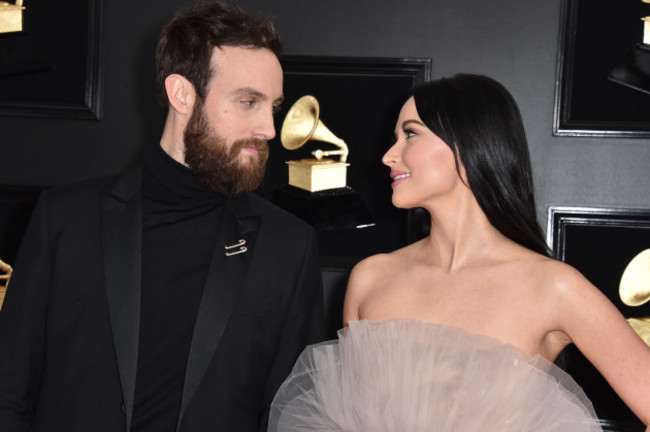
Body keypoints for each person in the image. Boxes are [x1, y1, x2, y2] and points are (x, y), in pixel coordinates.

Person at [0, 2, 326, 432]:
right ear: (182, 94)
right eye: (249, 101)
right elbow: (10, 390)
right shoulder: (65, 220)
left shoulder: (289, 246)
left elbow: (292, 416)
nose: (268, 127)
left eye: (274, 106)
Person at [268, 74, 650, 431]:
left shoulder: (553, 287)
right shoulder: (370, 278)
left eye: (410, 135)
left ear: (467, 144)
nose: (388, 155)